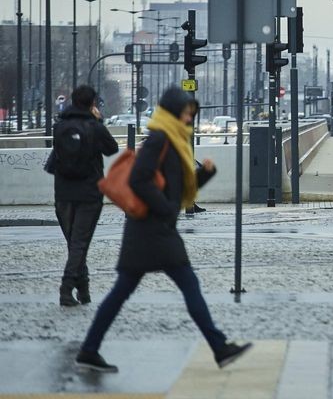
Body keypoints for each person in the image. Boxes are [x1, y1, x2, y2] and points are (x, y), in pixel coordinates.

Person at [75, 87, 251, 373]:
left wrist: (204, 175)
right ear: (172, 112)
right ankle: (219, 347)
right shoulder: (159, 139)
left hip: (150, 229)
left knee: (122, 292)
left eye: (191, 114)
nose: (189, 118)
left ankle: (89, 349)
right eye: (185, 112)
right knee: (187, 285)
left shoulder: (173, 139)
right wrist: (167, 210)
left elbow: (174, 190)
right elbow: (140, 180)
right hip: (152, 229)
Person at [47, 85, 120, 307]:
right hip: (89, 193)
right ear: (92, 104)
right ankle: (66, 289)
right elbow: (112, 149)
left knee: (75, 244)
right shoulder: (93, 127)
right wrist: (98, 122)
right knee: (80, 243)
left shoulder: (59, 127)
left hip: (63, 194)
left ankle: (84, 289)